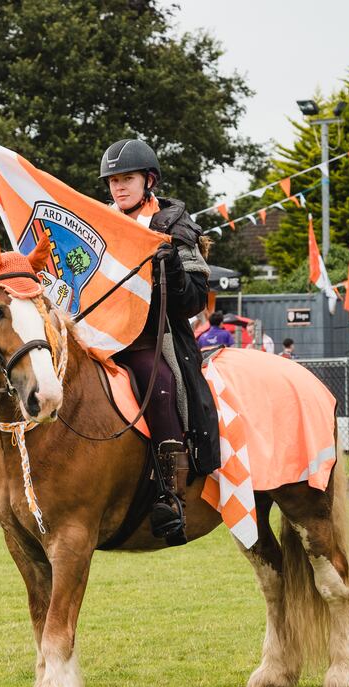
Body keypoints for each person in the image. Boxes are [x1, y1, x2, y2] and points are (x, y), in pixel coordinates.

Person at [101, 138, 220, 543]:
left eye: (127, 178)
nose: (119, 187)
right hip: (99, 338)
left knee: (162, 386)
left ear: (148, 180)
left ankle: (171, 495)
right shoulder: (96, 226)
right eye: (113, 181)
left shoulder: (176, 226)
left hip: (152, 339)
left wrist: (173, 271)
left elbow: (193, 302)